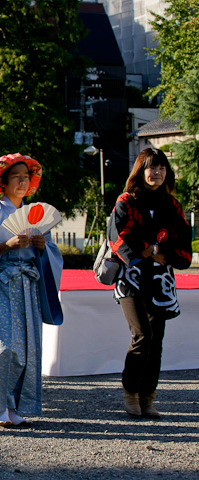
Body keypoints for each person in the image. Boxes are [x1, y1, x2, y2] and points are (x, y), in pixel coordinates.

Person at [0, 153, 63, 427]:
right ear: (2, 183)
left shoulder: (36, 215)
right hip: (0, 285)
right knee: (2, 345)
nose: (22, 182)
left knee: (26, 347)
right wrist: (4, 246)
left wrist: (43, 248)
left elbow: (52, 253)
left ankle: (16, 405)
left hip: (28, 286)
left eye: (26, 178)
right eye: (16, 177)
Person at [108, 148, 192, 419]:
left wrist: (151, 249)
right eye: (150, 168)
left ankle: (148, 396)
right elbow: (119, 240)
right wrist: (151, 249)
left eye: (161, 168)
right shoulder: (126, 201)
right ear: (140, 171)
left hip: (161, 281)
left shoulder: (173, 205)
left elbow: (181, 245)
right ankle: (130, 392)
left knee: (156, 341)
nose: (156, 173)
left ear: (166, 172)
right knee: (142, 335)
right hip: (130, 278)